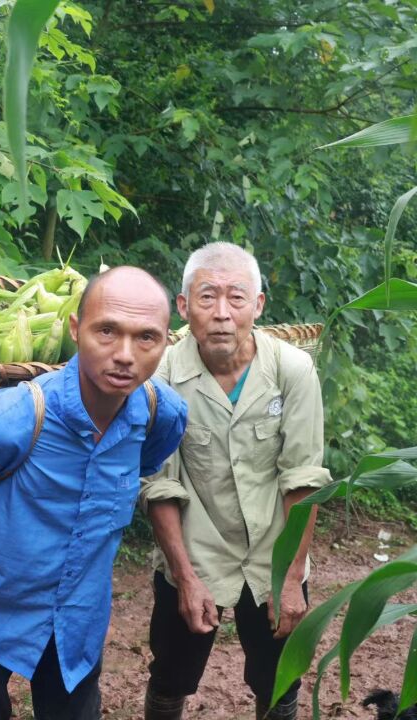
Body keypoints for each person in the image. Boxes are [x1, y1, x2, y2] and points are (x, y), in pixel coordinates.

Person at [0, 266, 189, 720]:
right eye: (107, 331)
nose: (125, 354)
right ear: (75, 330)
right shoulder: (8, 420)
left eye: (146, 338)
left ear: (166, 342)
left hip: (79, 621)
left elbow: (143, 464)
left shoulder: (162, 415)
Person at [140, 243, 329, 720]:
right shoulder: (161, 375)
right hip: (195, 549)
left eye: (236, 298)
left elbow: (302, 479)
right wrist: (183, 575)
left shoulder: (292, 370)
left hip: (274, 549)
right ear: (183, 307)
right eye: (207, 298)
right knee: (171, 675)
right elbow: (160, 485)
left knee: (279, 679)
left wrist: (290, 577)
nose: (222, 313)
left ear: (259, 305)